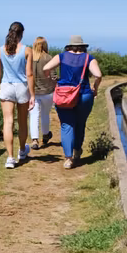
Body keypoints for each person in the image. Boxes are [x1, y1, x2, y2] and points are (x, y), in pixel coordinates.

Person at [42, 35, 103, 169]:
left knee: (66, 125)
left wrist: (52, 80)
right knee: (80, 123)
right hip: (84, 95)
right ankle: (77, 151)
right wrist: (95, 88)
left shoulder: (61, 56)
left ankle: (68, 159)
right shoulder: (89, 58)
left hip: (64, 96)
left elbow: (46, 68)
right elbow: (98, 75)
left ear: (69, 46)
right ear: (83, 46)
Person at [0, 21, 31, 169]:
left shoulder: (1, 50)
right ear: (21, 34)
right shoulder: (26, 50)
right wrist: (33, 94)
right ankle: (22, 151)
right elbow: (29, 74)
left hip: (7, 86)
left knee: (8, 122)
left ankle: (10, 158)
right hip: (22, 86)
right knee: (22, 121)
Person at [27, 37, 57, 150]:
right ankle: (45, 135)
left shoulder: (29, 58)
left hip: (33, 92)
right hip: (47, 91)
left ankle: (35, 140)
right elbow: (53, 76)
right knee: (45, 114)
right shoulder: (48, 58)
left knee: (33, 115)